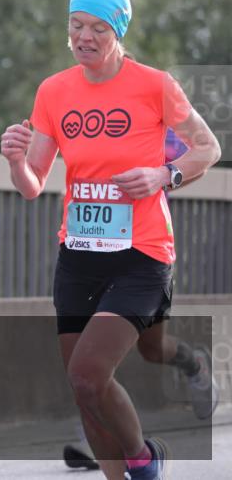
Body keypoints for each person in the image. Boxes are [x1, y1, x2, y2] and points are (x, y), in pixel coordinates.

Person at [0, 0, 222, 480]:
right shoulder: (53, 91)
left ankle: (144, 461)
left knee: (90, 371)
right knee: (85, 390)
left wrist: (163, 176)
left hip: (142, 255)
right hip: (79, 257)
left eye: (98, 27)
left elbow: (208, 148)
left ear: (118, 30)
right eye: (76, 25)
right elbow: (34, 183)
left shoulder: (154, 85)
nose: (84, 37)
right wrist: (15, 161)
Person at [63, 129, 219, 472]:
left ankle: (194, 363)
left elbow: (200, 159)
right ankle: (105, 441)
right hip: (88, 256)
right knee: (89, 363)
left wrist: (159, 181)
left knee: (152, 348)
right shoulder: (80, 111)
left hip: (144, 254)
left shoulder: (154, 118)